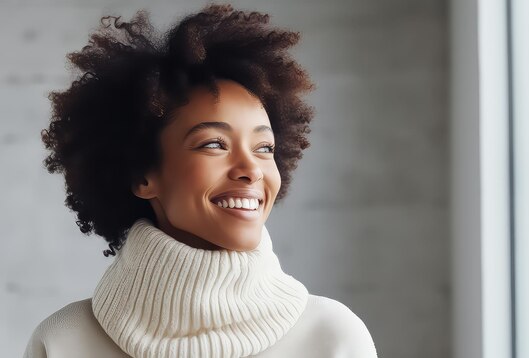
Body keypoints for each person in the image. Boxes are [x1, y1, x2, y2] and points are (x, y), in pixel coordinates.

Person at [22, 3, 378, 358]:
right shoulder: (63, 342)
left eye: (264, 147)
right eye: (214, 144)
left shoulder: (332, 337)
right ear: (143, 174)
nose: (251, 169)